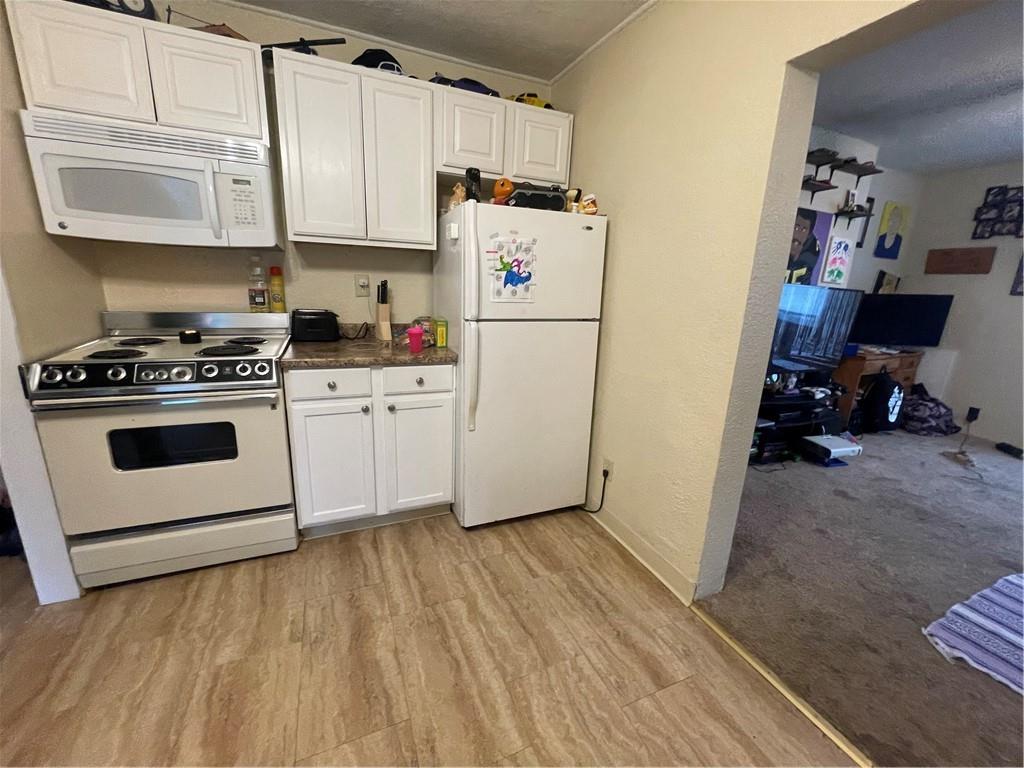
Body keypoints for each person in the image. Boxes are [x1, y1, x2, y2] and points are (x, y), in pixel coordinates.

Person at [787, 207, 820, 284]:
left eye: (804, 230)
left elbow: (805, 284)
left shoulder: (812, 251)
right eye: (796, 228)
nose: (798, 234)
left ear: (808, 235)